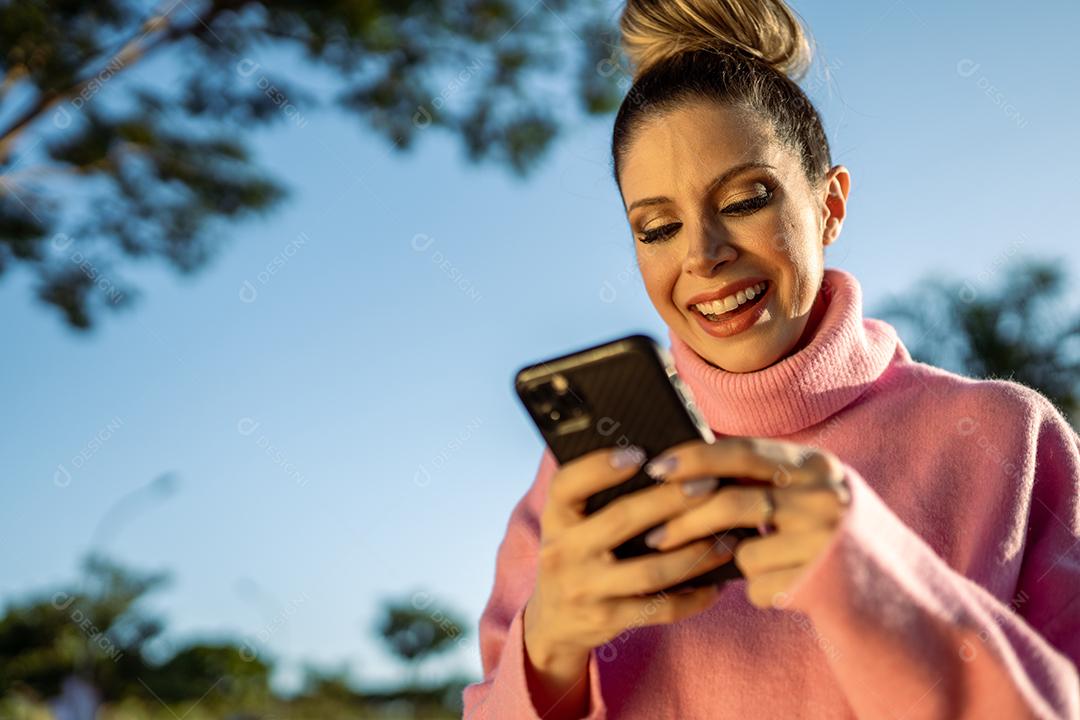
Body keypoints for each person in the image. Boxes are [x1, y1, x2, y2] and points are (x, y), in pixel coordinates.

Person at [461, 1, 1080, 717]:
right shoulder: (579, 476)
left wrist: (872, 578)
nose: (703, 255)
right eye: (658, 227)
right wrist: (548, 654)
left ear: (829, 206)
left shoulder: (1007, 437)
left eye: (747, 198)